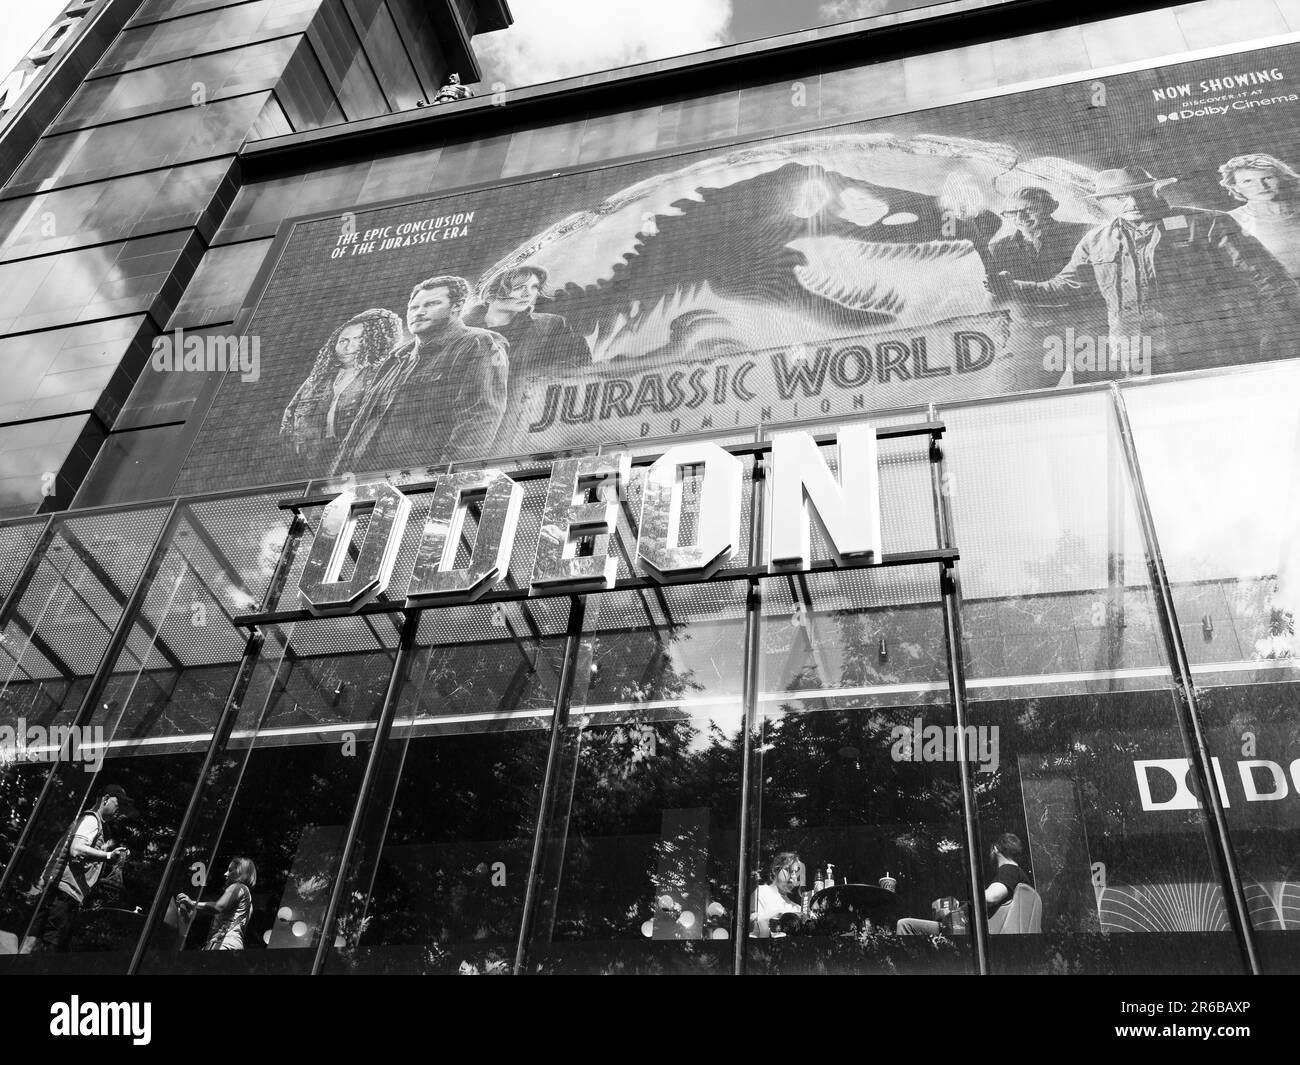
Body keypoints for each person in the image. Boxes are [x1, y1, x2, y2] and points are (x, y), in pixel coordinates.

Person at [988, 165, 1300, 371]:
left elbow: (1271, 283)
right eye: (1119, 197)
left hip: (1208, 352)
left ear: (1155, 190)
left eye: (1139, 191)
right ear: (1105, 203)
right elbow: (1064, 286)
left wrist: (1279, 334)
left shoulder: (1207, 223)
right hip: (1136, 358)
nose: (1132, 201)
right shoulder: (1095, 241)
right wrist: (1013, 286)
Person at [335, 276, 508, 472]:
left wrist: (445, 479)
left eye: (432, 304)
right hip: (363, 482)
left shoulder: (476, 344)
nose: (419, 312)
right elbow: (359, 425)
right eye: (414, 307)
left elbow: (479, 418)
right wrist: (335, 479)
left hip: (419, 485)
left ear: (457, 306)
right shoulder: (397, 358)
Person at [280, 308, 403, 461]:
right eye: (343, 340)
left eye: (358, 339)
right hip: (308, 462)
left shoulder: (385, 375)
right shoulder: (317, 378)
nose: (348, 347)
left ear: (375, 341)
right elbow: (289, 419)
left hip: (350, 463)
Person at [33, 785, 133, 952]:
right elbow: (77, 849)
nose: (120, 809)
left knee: (37, 943)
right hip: (62, 894)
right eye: (118, 803)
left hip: (63, 894)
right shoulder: (92, 821)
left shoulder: (97, 825)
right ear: (105, 799)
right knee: (46, 949)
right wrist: (108, 856)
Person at [463, 266, 592, 392]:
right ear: (491, 293)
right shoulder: (461, 330)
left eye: (534, 287)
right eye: (519, 287)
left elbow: (580, 366)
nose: (528, 293)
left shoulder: (551, 324)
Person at [896, 833, 1030, 936]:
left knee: (905, 925)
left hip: (967, 932)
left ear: (994, 849)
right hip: (974, 930)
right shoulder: (1021, 876)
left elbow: (990, 897)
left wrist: (955, 910)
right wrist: (959, 905)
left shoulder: (1009, 870)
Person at [1219, 153, 1300, 280]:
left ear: (1280, 178)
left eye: (1267, 178)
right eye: (1248, 181)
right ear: (1236, 187)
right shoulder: (1232, 220)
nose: (1261, 186)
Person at [986, 186, 1091, 282]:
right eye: (1012, 212)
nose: (1020, 218)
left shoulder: (1082, 234)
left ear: (1050, 208)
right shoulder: (998, 249)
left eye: (1030, 210)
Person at [176, 857, 257, 950]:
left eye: (230, 870)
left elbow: (218, 907)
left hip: (223, 944)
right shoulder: (249, 902)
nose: (225, 874)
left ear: (240, 873)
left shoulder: (237, 887)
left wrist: (192, 903)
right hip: (234, 945)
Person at [749, 852, 804, 937]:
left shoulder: (797, 907)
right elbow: (751, 923)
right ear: (775, 870)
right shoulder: (762, 892)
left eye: (796, 873)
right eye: (788, 870)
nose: (793, 876)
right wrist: (778, 915)